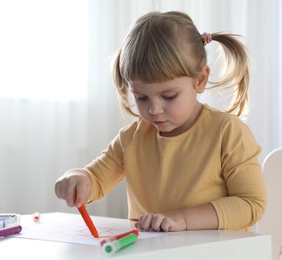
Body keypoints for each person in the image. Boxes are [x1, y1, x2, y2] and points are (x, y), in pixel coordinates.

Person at [55, 11, 266, 232]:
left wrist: (183, 219)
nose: (154, 109)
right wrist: (78, 178)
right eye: (141, 98)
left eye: (169, 96)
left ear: (200, 81)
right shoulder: (131, 139)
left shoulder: (227, 132)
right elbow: (96, 178)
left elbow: (251, 203)